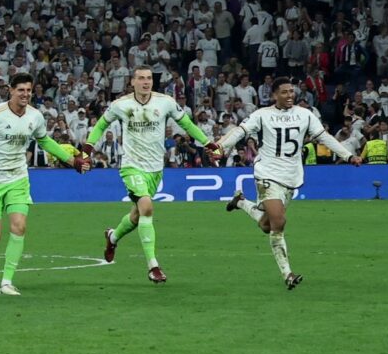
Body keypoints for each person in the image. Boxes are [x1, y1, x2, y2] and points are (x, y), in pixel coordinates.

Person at [217, 81, 362, 289]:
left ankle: (241, 202)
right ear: (275, 95)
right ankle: (288, 274)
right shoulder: (262, 114)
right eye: (284, 92)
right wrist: (221, 146)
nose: (289, 95)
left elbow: (324, 138)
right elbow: (240, 131)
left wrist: (348, 156)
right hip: (267, 172)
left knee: (268, 225)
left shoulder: (305, 115)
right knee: (279, 221)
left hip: (291, 176)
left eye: (291, 91)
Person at [0, 72, 89, 297]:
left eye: (29, 90)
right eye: (21, 90)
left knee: (19, 226)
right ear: (11, 90)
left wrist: (71, 160)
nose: (25, 94)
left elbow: (44, 140)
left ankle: (6, 282)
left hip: (18, 178)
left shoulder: (35, 116)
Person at [90, 67, 212, 283]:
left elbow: (186, 124)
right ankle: (153, 266)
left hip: (155, 168)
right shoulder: (121, 105)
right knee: (146, 207)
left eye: (149, 79)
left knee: (137, 216)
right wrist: (89, 146)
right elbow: (101, 124)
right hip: (131, 166)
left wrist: (207, 142)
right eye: (141, 78)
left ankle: (113, 236)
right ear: (132, 81)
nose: (146, 82)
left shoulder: (164, 102)